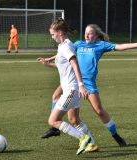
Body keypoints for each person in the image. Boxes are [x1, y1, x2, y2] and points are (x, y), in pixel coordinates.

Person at [41, 24, 137, 147]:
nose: (87, 35)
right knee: (60, 101)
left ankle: (115, 135)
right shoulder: (78, 44)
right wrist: (49, 59)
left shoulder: (100, 45)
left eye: (90, 33)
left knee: (99, 111)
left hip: (87, 83)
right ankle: (56, 128)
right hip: (73, 80)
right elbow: (64, 53)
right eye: (85, 33)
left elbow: (120, 46)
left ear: (96, 35)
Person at [37, 18, 92, 155]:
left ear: (60, 32)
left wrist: (81, 85)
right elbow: (63, 67)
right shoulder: (62, 46)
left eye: (53, 34)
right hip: (71, 89)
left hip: (71, 90)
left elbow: (74, 64)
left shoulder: (67, 46)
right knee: (74, 120)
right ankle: (91, 143)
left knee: (53, 120)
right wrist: (48, 63)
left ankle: (83, 138)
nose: (52, 36)